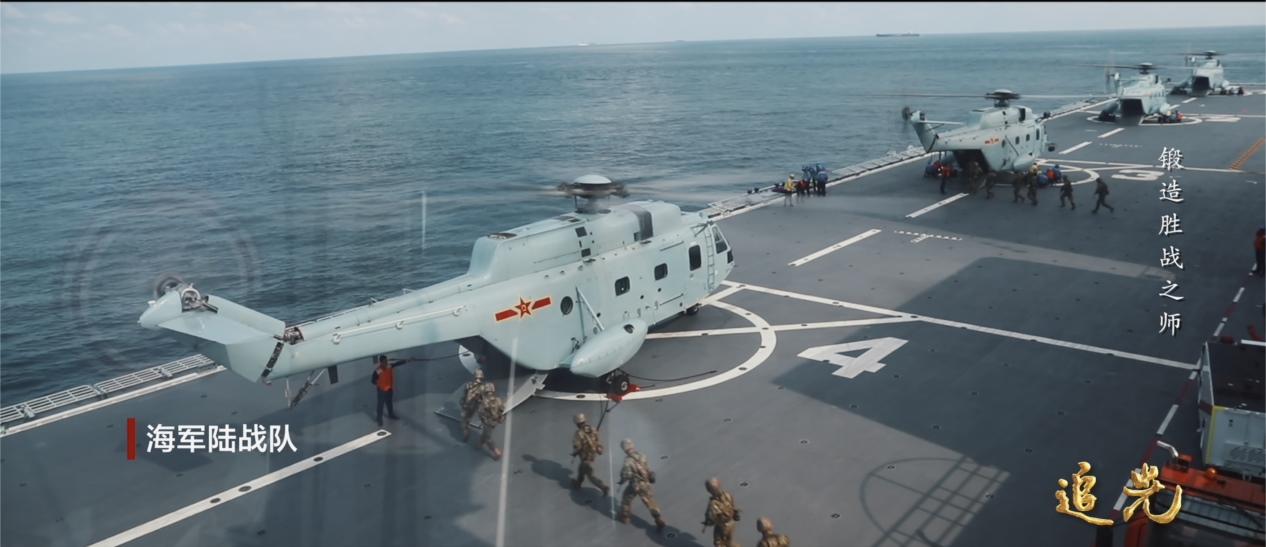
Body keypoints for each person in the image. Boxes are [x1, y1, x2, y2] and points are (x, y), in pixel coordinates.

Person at [618, 438, 666, 533]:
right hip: (645, 483)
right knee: (650, 501)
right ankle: (658, 518)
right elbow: (646, 467)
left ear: (624, 449)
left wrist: (622, 479)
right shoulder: (642, 455)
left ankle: (626, 516)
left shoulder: (627, 461)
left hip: (635, 484)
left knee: (626, 499)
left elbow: (626, 475)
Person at [570, 413, 609, 496]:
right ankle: (578, 483)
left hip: (585, 457)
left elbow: (577, 446)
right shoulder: (593, 428)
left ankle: (603, 487)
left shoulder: (578, 433)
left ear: (577, 423)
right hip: (593, 454)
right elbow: (596, 440)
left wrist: (575, 453)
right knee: (581, 469)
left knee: (590, 475)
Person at [371, 355, 414, 427]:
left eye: (387, 361)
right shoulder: (377, 371)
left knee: (389, 403)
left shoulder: (389, 366)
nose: (386, 363)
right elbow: (373, 381)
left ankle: (391, 415)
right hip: (381, 391)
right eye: (385, 361)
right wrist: (380, 386)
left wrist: (407, 360)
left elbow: (397, 363)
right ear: (381, 362)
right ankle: (379, 419)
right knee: (380, 405)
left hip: (389, 389)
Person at [703, 477, 742, 547]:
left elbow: (712, 519)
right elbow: (732, 505)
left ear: (708, 490)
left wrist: (708, 522)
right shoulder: (727, 495)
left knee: (719, 542)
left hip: (722, 526)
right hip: (731, 523)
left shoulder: (713, 504)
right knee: (729, 540)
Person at [477, 383, 505, 460]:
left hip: (488, 422)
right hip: (496, 421)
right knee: (486, 433)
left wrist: (482, 419)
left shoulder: (484, 401)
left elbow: (481, 412)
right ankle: (480, 444)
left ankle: (496, 452)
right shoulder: (498, 399)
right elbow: (502, 408)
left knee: (487, 438)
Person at [460, 369, 486, 443]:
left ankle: (465, 430)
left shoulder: (468, 384)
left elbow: (465, 394)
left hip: (467, 404)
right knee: (473, 415)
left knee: (464, 417)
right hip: (476, 404)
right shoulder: (483, 387)